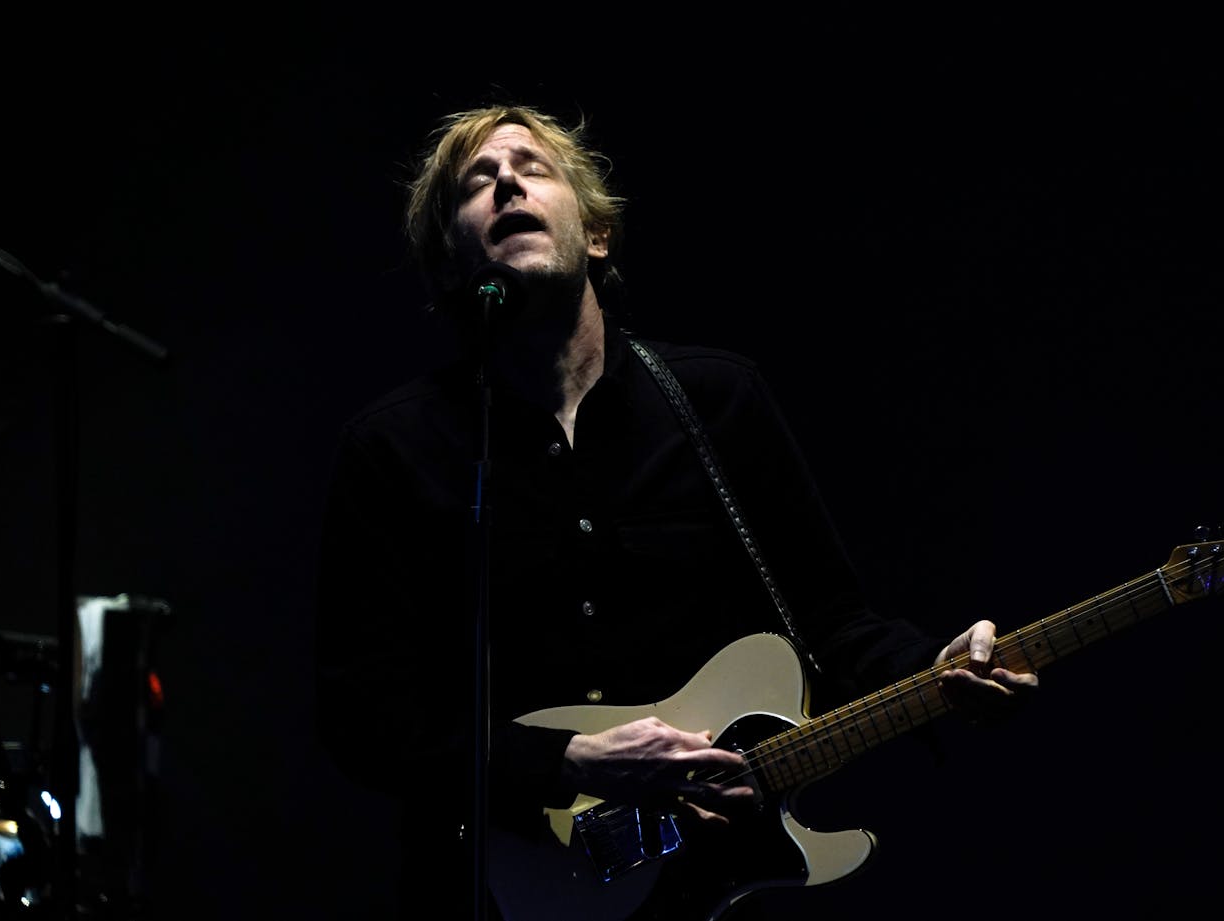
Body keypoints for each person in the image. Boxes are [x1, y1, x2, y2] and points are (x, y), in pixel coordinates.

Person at [313, 103, 1038, 921]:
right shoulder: (393, 450)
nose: (506, 183)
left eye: (531, 168)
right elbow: (362, 716)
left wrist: (932, 668)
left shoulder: (715, 400)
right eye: (475, 185)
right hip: (492, 892)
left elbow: (829, 621)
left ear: (596, 236)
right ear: (450, 265)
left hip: (715, 884)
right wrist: (570, 761)